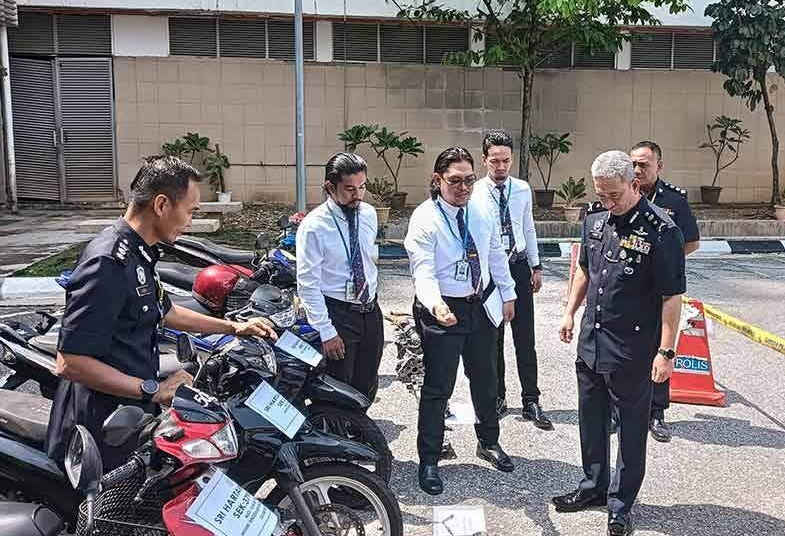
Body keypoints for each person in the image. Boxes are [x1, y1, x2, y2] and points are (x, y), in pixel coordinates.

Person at [45, 156, 276, 470]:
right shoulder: (107, 262)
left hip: (129, 415)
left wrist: (234, 328)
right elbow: (70, 363)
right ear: (162, 205)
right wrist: (154, 390)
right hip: (100, 429)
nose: (191, 222)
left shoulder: (140, 252)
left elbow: (165, 311)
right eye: (190, 211)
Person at [555, 150, 686, 536]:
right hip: (592, 342)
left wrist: (666, 352)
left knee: (630, 429)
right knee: (591, 420)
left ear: (635, 184)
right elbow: (584, 270)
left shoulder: (661, 231)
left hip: (631, 348)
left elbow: (671, 297)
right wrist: (568, 312)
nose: (608, 203)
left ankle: (621, 505)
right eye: (602, 195)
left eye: (615, 195)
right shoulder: (594, 220)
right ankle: (593, 485)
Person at [404, 146, 518, 496]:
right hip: (442, 310)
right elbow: (422, 271)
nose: (464, 187)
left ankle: (489, 441)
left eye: (469, 180)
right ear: (437, 181)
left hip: (478, 305)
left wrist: (508, 292)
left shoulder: (480, 211)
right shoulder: (426, 218)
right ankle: (429, 458)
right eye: (455, 181)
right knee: (439, 386)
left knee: (486, 379)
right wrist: (436, 305)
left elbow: (495, 254)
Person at [471, 130, 552, 430]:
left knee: (524, 337)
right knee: (493, 338)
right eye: (495, 161)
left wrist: (536, 265)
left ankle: (531, 399)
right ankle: (498, 397)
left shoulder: (521, 189)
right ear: (484, 160)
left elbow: (527, 228)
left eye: (506, 160)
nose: (501, 167)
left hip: (518, 267)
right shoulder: (476, 192)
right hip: (492, 271)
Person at [296, 153, 384, 402]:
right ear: (329, 187)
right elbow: (308, 284)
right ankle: (338, 435)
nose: (357, 195)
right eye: (349, 189)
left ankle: (361, 435)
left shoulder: (368, 214)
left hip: (369, 310)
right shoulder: (314, 227)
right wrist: (326, 331)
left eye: (362, 187)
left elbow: (367, 260)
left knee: (367, 382)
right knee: (339, 387)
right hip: (338, 313)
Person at [630, 140, 700, 443]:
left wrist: (666, 264)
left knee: (661, 343)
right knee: (629, 347)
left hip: (661, 288)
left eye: (644, 163)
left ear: (659, 165)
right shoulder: (625, 193)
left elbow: (692, 241)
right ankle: (623, 410)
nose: (637, 169)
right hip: (631, 285)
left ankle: (656, 412)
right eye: (633, 163)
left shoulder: (675, 200)